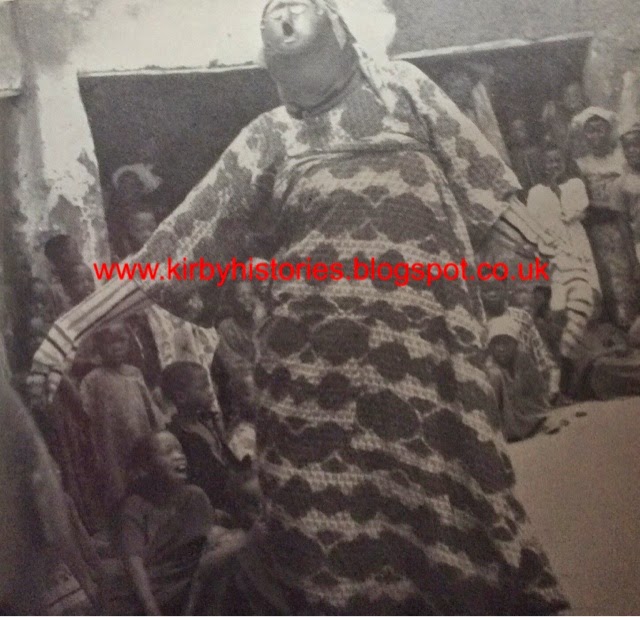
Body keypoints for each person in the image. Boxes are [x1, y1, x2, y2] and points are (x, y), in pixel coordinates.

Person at [32, 1, 587, 611]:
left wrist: (546, 259)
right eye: (270, 13)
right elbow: (175, 248)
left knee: (465, 526)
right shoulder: (269, 138)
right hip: (314, 397)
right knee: (329, 559)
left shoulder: (405, 93)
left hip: (428, 378)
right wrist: (71, 325)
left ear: (341, 30)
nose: (282, 12)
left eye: (297, 4)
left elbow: (491, 199)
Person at [115, 431, 244, 615]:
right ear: (146, 465)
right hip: (158, 591)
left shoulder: (194, 496)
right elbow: (133, 562)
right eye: (168, 452)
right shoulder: (135, 506)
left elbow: (204, 539)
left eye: (180, 450)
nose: (179, 456)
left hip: (194, 583)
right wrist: (152, 610)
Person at [162, 361, 258, 527]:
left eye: (209, 385)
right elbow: (190, 483)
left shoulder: (205, 422)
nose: (210, 392)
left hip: (229, 497)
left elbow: (225, 458)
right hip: (212, 507)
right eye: (203, 387)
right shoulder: (179, 436)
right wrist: (210, 511)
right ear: (181, 397)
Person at [80, 322, 162, 514]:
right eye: (109, 342)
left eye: (121, 341)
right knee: (119, 487)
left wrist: (158, 431)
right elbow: (86, 416)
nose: (117, 347)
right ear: (98, 345)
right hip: (111, 444)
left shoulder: (134, 373)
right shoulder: (93, 380)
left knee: (146, 480)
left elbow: (150, 410)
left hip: (140, 437)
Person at [573, 107, 640, 329]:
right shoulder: (581, 164)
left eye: (600, 130)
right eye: (590, 131)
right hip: (599, 227)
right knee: (609, 272)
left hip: (626, 222)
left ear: (608, 131)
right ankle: (622, 321)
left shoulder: (621, 159)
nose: (595, 136)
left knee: (632, 266)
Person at [527, 145, 601, 312]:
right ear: (542, 165)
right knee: (565, 285)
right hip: (554, 244)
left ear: (565, 163)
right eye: (549, 162)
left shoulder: (575, 184)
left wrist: (556, 188)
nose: (554, 165)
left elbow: (574, 212)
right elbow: (534, 224)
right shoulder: (535, 192)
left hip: (577, 239)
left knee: (588, 279)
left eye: (558, 161)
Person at [481, 279, 560, 401]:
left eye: (496, 288)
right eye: (486, 290)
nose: (492, 294)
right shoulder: (478, 323)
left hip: (523, 382)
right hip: (495, 384)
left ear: (505, 290)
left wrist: (552, 382)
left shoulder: (522, 317)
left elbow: (542, 357)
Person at [485, 314, 549, 442]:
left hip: (527, 416)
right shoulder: (491, 370)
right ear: (491, 347)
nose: (501, 348)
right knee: (495, 376)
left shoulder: (522, 358)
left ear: (515, 344)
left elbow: (539, 390)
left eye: (506, 343)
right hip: (504, 423)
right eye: (496, 344)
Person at [541, 81, 589, 159]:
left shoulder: (589, 116)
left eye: (575, 95)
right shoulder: (556, 115)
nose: (571, 99)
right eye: (566, 96)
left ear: (582, 97)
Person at [618, 119, 640, 261]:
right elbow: (623, 224)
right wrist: (634, 261)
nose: (631, 150)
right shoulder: (622, 183)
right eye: (627, 147)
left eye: (636, 145)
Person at [507, 118, 543, 195]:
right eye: (514, 131)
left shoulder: (536, 151)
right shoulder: (513, 156)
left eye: (520, 129)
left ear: (526, 131)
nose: (517, 133)